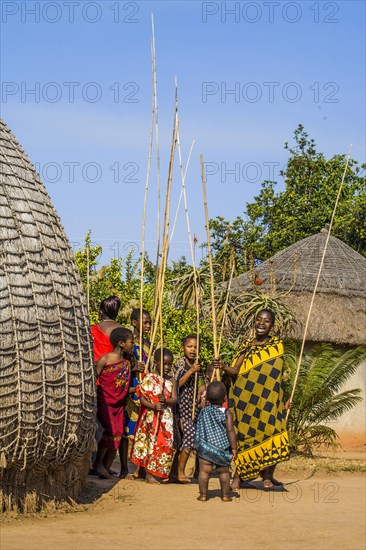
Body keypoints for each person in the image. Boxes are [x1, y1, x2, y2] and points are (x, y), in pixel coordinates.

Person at [217, 309, 291, 491]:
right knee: (246, 438)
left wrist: (283, 400)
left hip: (268, 403)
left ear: (272, 326)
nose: (261, 323)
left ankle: (267, 475)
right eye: (258, 319)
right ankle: (238, 477)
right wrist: (223, 366)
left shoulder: (277, 347)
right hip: (246, 403)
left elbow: (278, 377)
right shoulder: (247, 346)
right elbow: (236, 371)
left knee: (271, 434)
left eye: (266, 321)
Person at [130, 348, 177, 483]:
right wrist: (154, 406)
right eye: (164, 364)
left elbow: (174, 399)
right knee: (150, 442)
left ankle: (158, 471)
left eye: (170, 364)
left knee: (165, 444)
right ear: (156, 363)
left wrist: (165, 401)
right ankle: (149, 474)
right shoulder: (149, 378)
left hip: (166, 418)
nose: (167, 367)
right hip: (151, 417)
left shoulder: (172, 380)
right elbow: (142, 399)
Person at [94, 327, 134, 479]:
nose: (133, 345)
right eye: (131, 342)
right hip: (105, 402)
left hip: (118, 404)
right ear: (121, 343)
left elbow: (122, 387)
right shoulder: (105, 359)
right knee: (110, 431)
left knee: (117, 434)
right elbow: (94, 379)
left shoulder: (126, 364)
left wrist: (138, 388)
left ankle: (104, 465)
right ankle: (98, 464)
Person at [119, 308, 151, 478]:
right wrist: (133, 368)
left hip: (144, 388)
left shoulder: (149, 344)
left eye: (149, 323)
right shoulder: (127, 342)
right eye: (145, 322)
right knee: (126, 431)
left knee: (142, 429)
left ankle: (141, 467)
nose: (148, 326)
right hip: (129, 388)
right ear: (134, 322)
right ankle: (124, 467)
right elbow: (120, 363)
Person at [194, 381, 237, 502]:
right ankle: (225, 495)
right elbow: (230, 431)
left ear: (207, 398)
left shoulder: (203, 411)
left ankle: (203, 495)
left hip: (206, 448)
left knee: (204, 471)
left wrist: (197, 444)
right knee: (224, 472)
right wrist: (234, 447)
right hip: (222, 449)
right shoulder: (227, 413)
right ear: (225, 398)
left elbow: (199, 426)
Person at [172, 334, 202, 483]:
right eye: (190, 346)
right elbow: (176, 384)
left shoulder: (197, 364)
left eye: (196, 347)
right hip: (180, 410)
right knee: (188, 437)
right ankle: (180, 472)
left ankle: (176, 472)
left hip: (193, 410)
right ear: (183, 348)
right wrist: (191, 372)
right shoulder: (180, 364)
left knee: (188, 439)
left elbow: (197, 388)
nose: (193, 350)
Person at [91, 296, 122, 362]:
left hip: (95, 368)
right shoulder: (121, 328)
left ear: (101, 312)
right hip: (114, 368)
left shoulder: (92, 329)